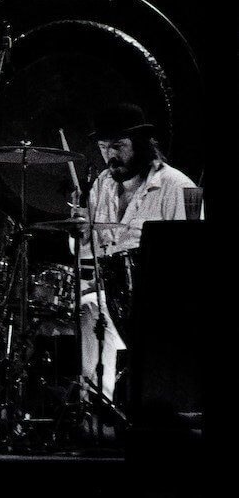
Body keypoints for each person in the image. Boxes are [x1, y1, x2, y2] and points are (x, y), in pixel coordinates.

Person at [75, 102, 197, 409]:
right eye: (104, 147)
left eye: (118, 146)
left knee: (94, 309)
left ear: (141, 144)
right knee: (84, 307)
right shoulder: (101, 185)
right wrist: (81, 235)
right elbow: (89, 254)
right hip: (111, 296)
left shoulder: (180, 186)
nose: (110, 156)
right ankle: (96, 410)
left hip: (161, 302)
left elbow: (195, 254)